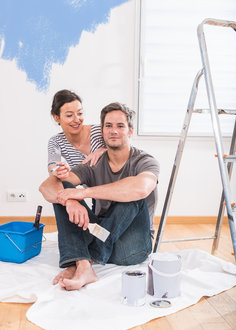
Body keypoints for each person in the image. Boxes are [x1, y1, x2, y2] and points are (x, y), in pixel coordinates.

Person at [39, 102, 160, 291]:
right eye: (108, 126)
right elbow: (46, 187)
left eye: (120, 126)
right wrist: (71, 200)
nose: (113, 131)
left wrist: (83, 193)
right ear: (102, 132)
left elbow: (141, 189)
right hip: (101, 234)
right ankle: (84, 265)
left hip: (131, 246)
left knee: (132, 193)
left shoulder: (145, 161)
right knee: (63, 189)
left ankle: (84, 258)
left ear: (130, 131)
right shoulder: (93, 163)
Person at [48, 89, 106, 174]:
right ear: (56, 117)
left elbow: (128, 153)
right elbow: (52, 166)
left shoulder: (99, 131)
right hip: (90, 187)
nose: (77, 120)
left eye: (80, 113)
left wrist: (105, 150)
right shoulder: (57, 141)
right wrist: (58, 171)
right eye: (69, 115)